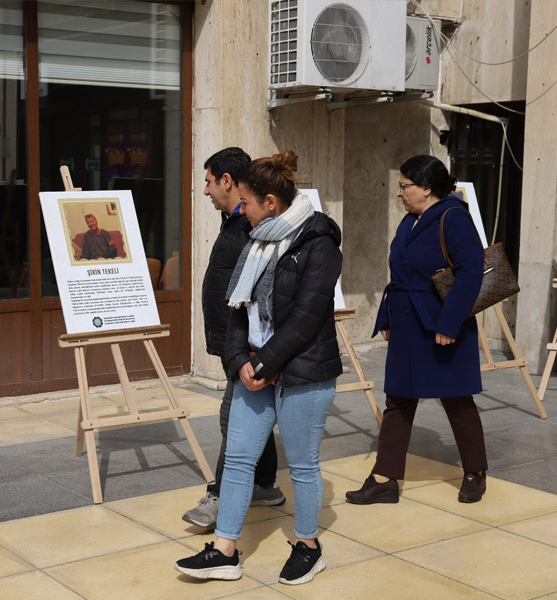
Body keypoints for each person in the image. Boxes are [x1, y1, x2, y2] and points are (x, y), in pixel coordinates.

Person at [176, 150, 343, 585]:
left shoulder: (319, 242)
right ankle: (225, 550)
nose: (240, 210)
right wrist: (239, 363)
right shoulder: (255, 239)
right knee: (237, 459)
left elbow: (308, 317)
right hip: (255, 369)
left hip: (304, 371)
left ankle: (308, 546)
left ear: (270, 201)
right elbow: (238, 312)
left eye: (246, 203)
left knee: (303, 464)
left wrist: (266, 361)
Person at [345, 155, 487, 506]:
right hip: (408, 324)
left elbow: (470, 273)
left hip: (441, 324)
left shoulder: (454, 218)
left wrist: (449, 324)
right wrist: (388, 319)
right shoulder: (410, 221)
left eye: (404, 185)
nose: (399, 192)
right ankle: (384, 478)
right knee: (399, 398)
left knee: (455, 397)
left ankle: (475, 471)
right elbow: (400, 278)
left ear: (426, 188)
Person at [181, 147, 285, 530]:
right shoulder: (234, 222)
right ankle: (264, 483)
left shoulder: (250, 226)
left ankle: (220, 497)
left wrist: (240, 349)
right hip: (231, 342)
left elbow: (253, 294)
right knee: (252, 412)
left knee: (233, 417)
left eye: (208, 181)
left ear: (227, 180)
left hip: (243, 345)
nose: (205, 191)